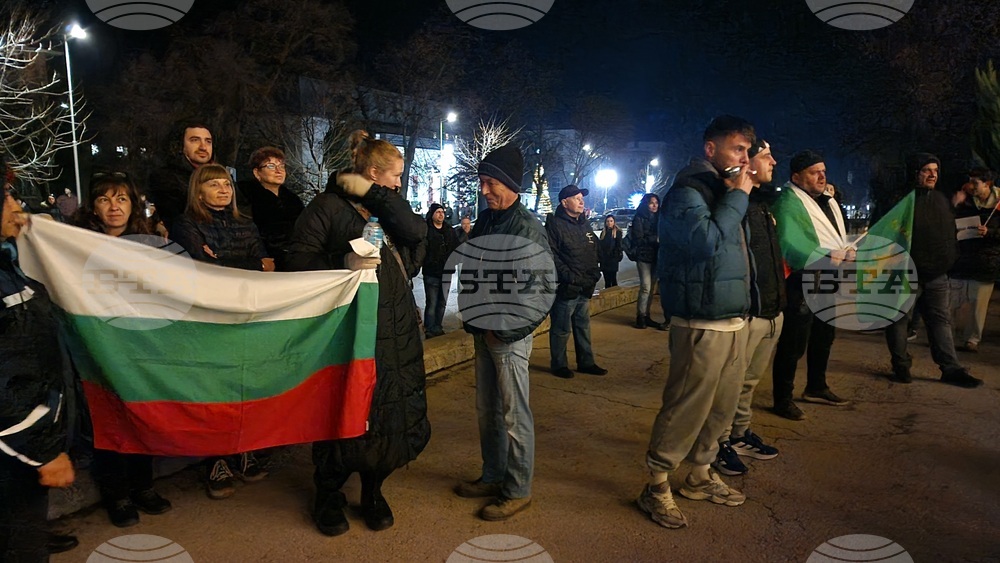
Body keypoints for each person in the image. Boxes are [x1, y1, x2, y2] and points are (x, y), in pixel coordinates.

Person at [286, 130, 429, 536]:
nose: (400, 183)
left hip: (395, 327)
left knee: (387, 411)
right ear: (372, 171)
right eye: (395, 176)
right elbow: (296, 261)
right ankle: (327, 493)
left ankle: (373, 489)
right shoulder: (326, 207)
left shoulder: (388, 207)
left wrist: (378, 197)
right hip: (347, 329)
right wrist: (342, 260)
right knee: (340, 409)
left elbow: (417, 236)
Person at [637, 115, 755, 530]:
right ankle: (656, 485)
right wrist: (739, 195)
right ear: (711, 149)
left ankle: (701, 474)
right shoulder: (688, 191)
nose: (745, 158)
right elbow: (705, 243)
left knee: (721, 409)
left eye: (747, 151)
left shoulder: (723, 190)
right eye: (737, 149)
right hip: (699, 319)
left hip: (731, 319)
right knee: (686, 406)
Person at [453, 144, 551, 522]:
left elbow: (539, 293)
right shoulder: (489, 220)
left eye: (490, 182)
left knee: (514, 416)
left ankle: (517, 489)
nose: (484, 190)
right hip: (485, 332)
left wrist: (504, 333)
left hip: (506, 338)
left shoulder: (526, 229)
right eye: (482, 181)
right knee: (488, 412)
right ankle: (493, 476)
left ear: (510, 184)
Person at [72, 171, 173, 527]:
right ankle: (117, 494)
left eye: (121, 199)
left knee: (139, 412)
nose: (113, 207)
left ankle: (143, 487)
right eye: (104, 199)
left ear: (133, 205)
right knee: (107, 418)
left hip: (140, 342)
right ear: (93, 206)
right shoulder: (77, 245)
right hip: (97, 346)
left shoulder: (149, 243)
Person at [170, 164, 274, 500]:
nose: (222, 189)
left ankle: (243, 450)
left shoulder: (245, 222)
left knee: (244, 385)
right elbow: (202, 267)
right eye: (213, 184)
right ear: (198, 191)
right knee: (215, 391)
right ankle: (216, 460)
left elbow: (266, 262)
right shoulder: (186, 224)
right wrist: (248, 265)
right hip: (208, 318)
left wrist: (229, 260)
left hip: (246, 312)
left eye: (226, 183)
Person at [1, 168, 77, 562]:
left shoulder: (9, 268)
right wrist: (42, 452)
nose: (18, 210)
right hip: (14, 454)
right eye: (7, 199)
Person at [712, 138, 785, 476]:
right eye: (766, 156)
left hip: (771, 310)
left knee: (750, 382)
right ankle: (719, 443)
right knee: (731, 385)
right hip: (749, 313)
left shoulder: (762, 205)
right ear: (747, 164)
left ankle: (740, 434)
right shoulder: (733, 204)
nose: (773, 162)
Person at [883, 154, 982, 388]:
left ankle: (951, 369)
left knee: (941, 321)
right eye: (926, 169)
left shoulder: (940, 199)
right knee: (899, 321)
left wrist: (950, 258)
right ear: (914, 172)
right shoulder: (899, 200)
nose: (932, 174)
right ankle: (901, 366)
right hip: (905, 274)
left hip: (937, 275)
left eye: (935, 170)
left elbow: (947, 231)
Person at [770, 151, 852, 421]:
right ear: (796, 177)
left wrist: (846, 250)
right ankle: (782, 397)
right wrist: (826, 255)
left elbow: (835, 237)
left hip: (828, 278)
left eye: (823, 171)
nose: (822, 176)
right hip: (801, 280)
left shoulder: (828, 202)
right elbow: (789, 243)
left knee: (824, 336)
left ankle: (817, 386)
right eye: (814, 171)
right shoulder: (787, 202)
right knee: (794, 341)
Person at [545, 184, 606, 379]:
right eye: (576, 198)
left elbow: (593, 249)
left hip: (585, 285)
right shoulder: (555, 225)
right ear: (565, 202)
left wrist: (595, 272)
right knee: (561, 329)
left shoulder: (584, 223)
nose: (581, 201)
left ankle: (586, 362)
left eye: (582, 197)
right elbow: (552, 255)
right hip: (567, 287)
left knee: (583, 327)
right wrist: (569, 277)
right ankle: (559, 364)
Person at [950, 168, 1000, 352]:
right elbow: (949, 221)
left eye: (976, 183)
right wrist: (955, 204)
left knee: (978, 304)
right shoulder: (965, 199)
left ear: (987, 184)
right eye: (970, 181)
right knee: (953, 300)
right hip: (963, 257)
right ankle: (947, 335)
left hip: (987, 261)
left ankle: (972, 339)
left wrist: (991, 233)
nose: (971, 186)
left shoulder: (998, 204)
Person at [237, 147, 305, 271]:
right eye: (271, 166)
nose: (278, 171)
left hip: (295, 252)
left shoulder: (292, 199)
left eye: (282, 166)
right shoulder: (246, 196)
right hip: (263, 256)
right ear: (257, 173)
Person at [148, 121, 215, 233]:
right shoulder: (166, 177)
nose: (203, 147)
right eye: (195, 140)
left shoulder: (221, 176)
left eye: (208, 141)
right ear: (180, 145)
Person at [631, 193, 667, 330]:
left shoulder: (660, 218)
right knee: (645, 286)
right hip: (643, 256)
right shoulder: (639, 218)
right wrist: (655, 239)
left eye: (656, 203)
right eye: (651, 203)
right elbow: (638, 238)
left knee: (651, 288)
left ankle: (647, 315)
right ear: (646, 204)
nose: (654, 205)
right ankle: (640, 316)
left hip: (656, 256)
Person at [422, 203, 458, 338]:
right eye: (438, 212)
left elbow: (456, 248)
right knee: (431, 302)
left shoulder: (449, 230)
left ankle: (438, 326)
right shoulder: (426, 230)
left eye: (442, 212)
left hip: (446, 273)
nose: (441, 214)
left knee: (442, 303)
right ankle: (429, 328)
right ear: (432, 214)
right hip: (431, 273)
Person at [598, 214, 624, 288]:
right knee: (607, 281)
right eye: (608, 221)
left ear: (614, 222)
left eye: (611, 221)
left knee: (613, 279)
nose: (609, 223)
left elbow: (619, 246)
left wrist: (616, 256)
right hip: (604, 260)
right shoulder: (603, 233)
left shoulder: (617, 233)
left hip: (613, 260)